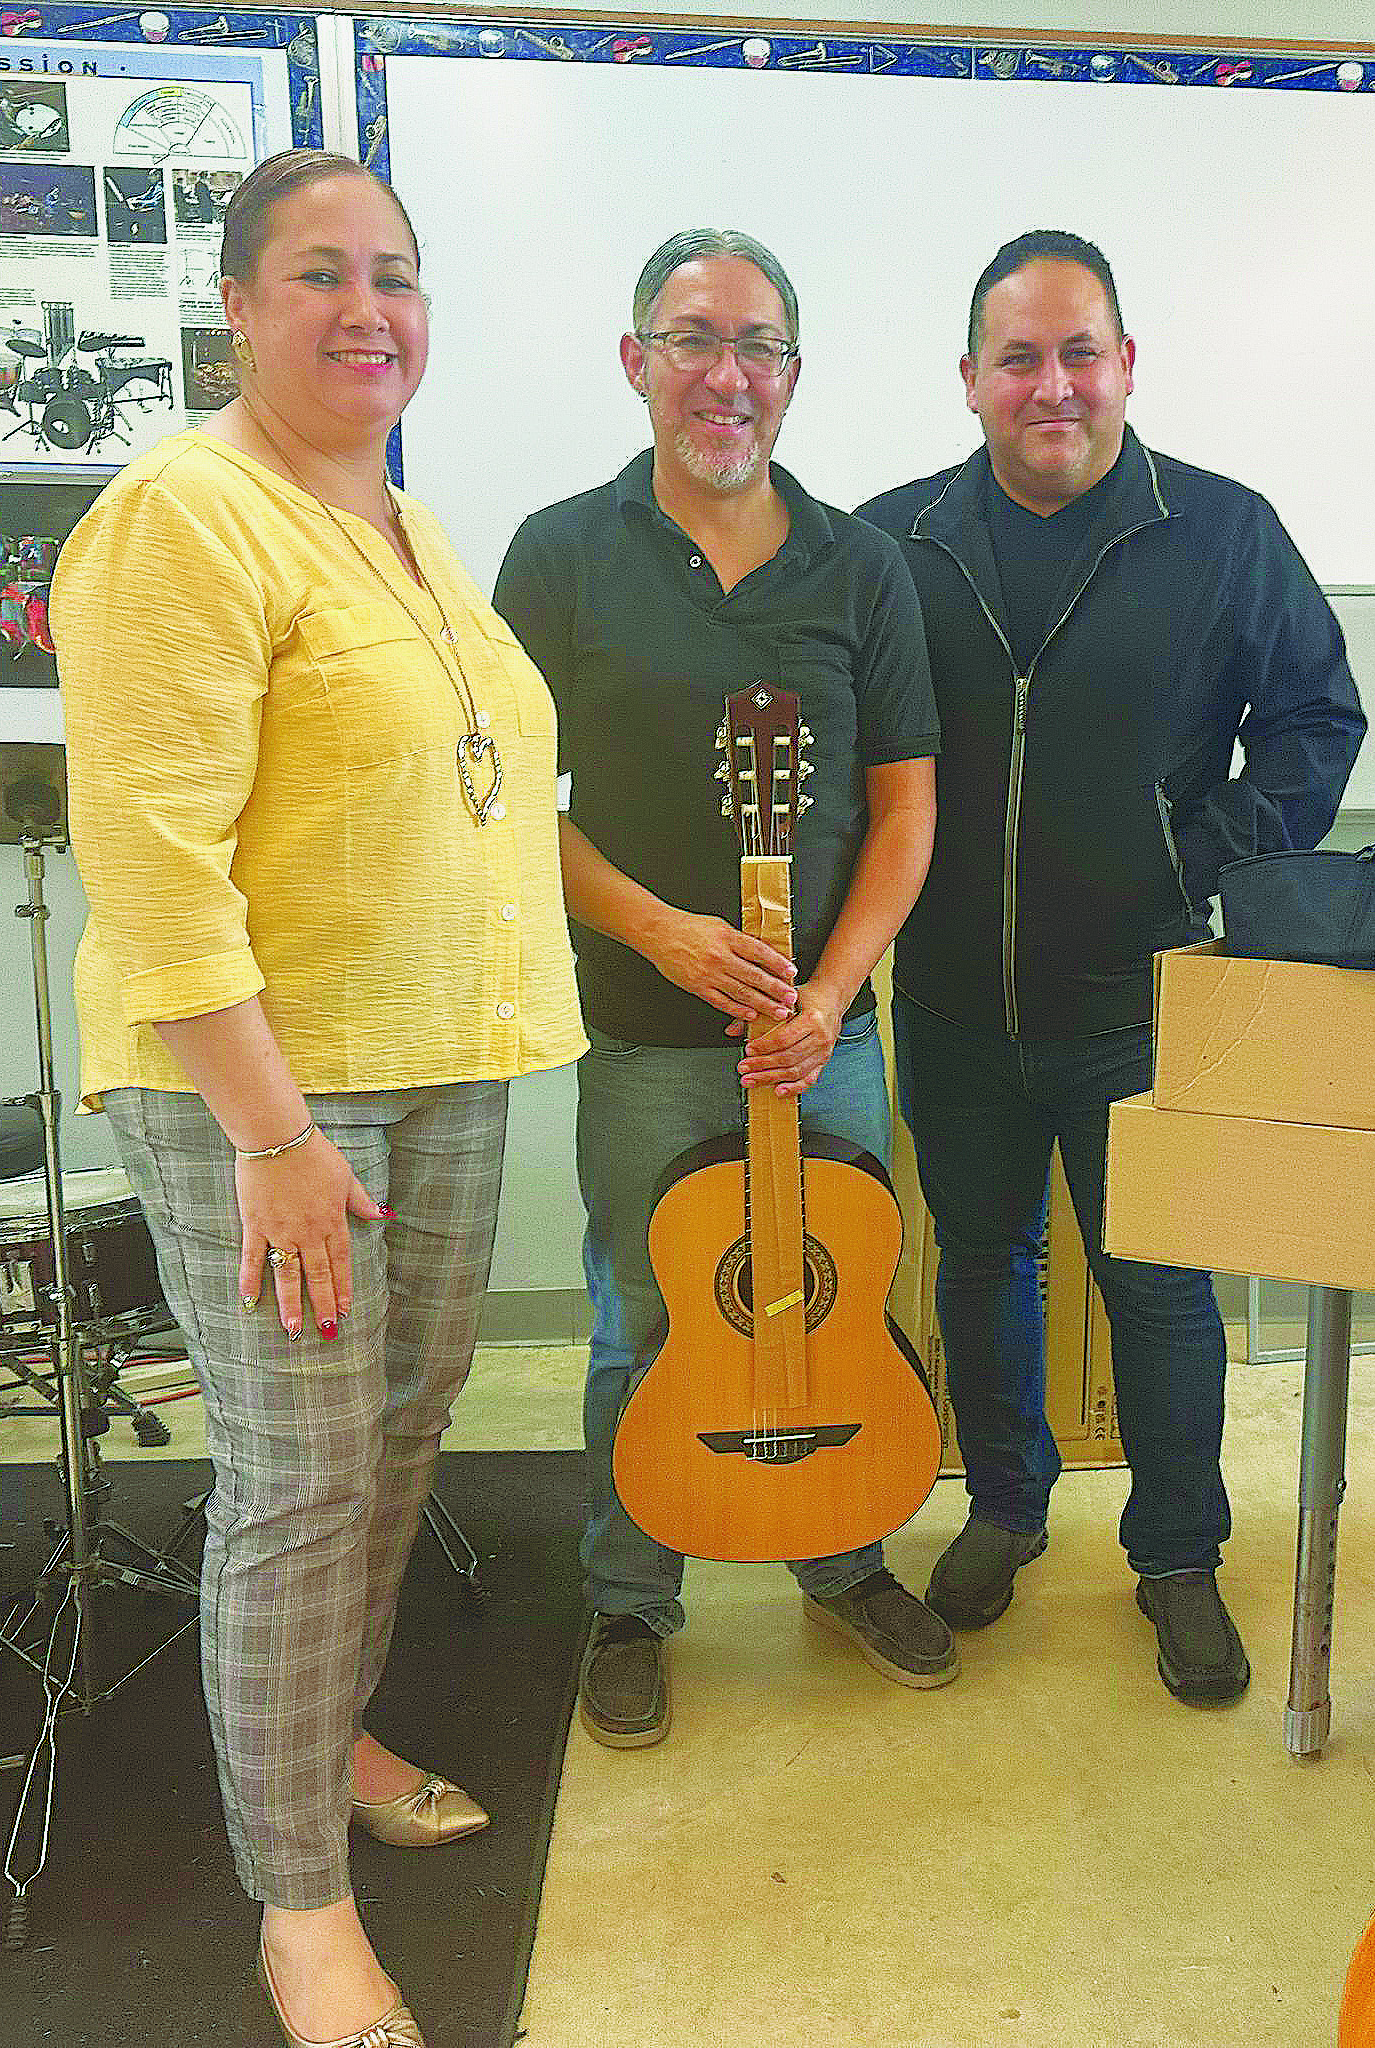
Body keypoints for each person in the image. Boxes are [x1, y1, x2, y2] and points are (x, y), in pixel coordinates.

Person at [52, 148, 583, 2048]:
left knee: (406, 1430)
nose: (371, 308)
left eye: (401, 275)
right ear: (237, 306)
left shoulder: (411, 531)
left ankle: (325, 1735)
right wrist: (272, 1139)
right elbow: (154, 860)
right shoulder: (182, 520)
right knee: (299, 1480)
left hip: (445, 1052)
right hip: (265, 1088)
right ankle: (299, 1908)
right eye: (321, 275)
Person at [858, 229, 1366, 1706]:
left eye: (1082, 353)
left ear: (1129, 366)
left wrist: (1195, 859)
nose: (1053, 385)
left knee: (1157, 1288)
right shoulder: (895, 544)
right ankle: (1007, 1506)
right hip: (948, 1002)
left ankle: (1179, 1553)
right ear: (970, 380)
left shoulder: (1221, 531)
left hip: (1135, 1005)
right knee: (981, 1262)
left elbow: (1315, 722)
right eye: (1019, 357)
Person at [494, 228, 953, 1750]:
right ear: (637, 362)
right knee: (643, 1316)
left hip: (829, 1039)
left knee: (841, 1298)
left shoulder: (862, 565)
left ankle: (844, 1556)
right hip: (640, 1037)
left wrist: (831, 991)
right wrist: (661, 932)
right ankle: (632, 1600)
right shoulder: (559, 555)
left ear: (794, 377)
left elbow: (904, 810)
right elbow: (501, 802)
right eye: (694, 339)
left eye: (758, 345)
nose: (727, 374)